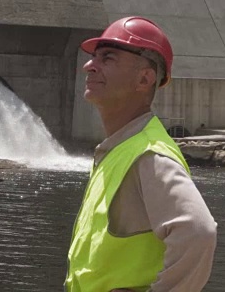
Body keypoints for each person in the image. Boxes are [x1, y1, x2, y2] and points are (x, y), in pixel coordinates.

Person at [65, 17, 217, 292]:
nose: (89, 65)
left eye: (107, 57)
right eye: (93, 57)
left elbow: (199, 232)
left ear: (144, 78)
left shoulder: (149, 154)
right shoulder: (120, 149)